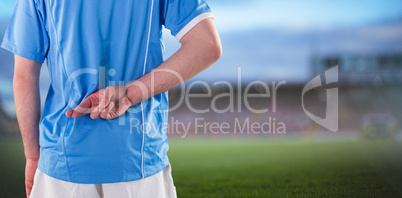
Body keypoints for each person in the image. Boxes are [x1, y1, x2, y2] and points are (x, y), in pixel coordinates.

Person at [1, 0, 222, 197]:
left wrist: (32, 157)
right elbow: (206, 45)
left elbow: (24, 76)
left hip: (62, 161)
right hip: (139, 158)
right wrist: (130, 94)